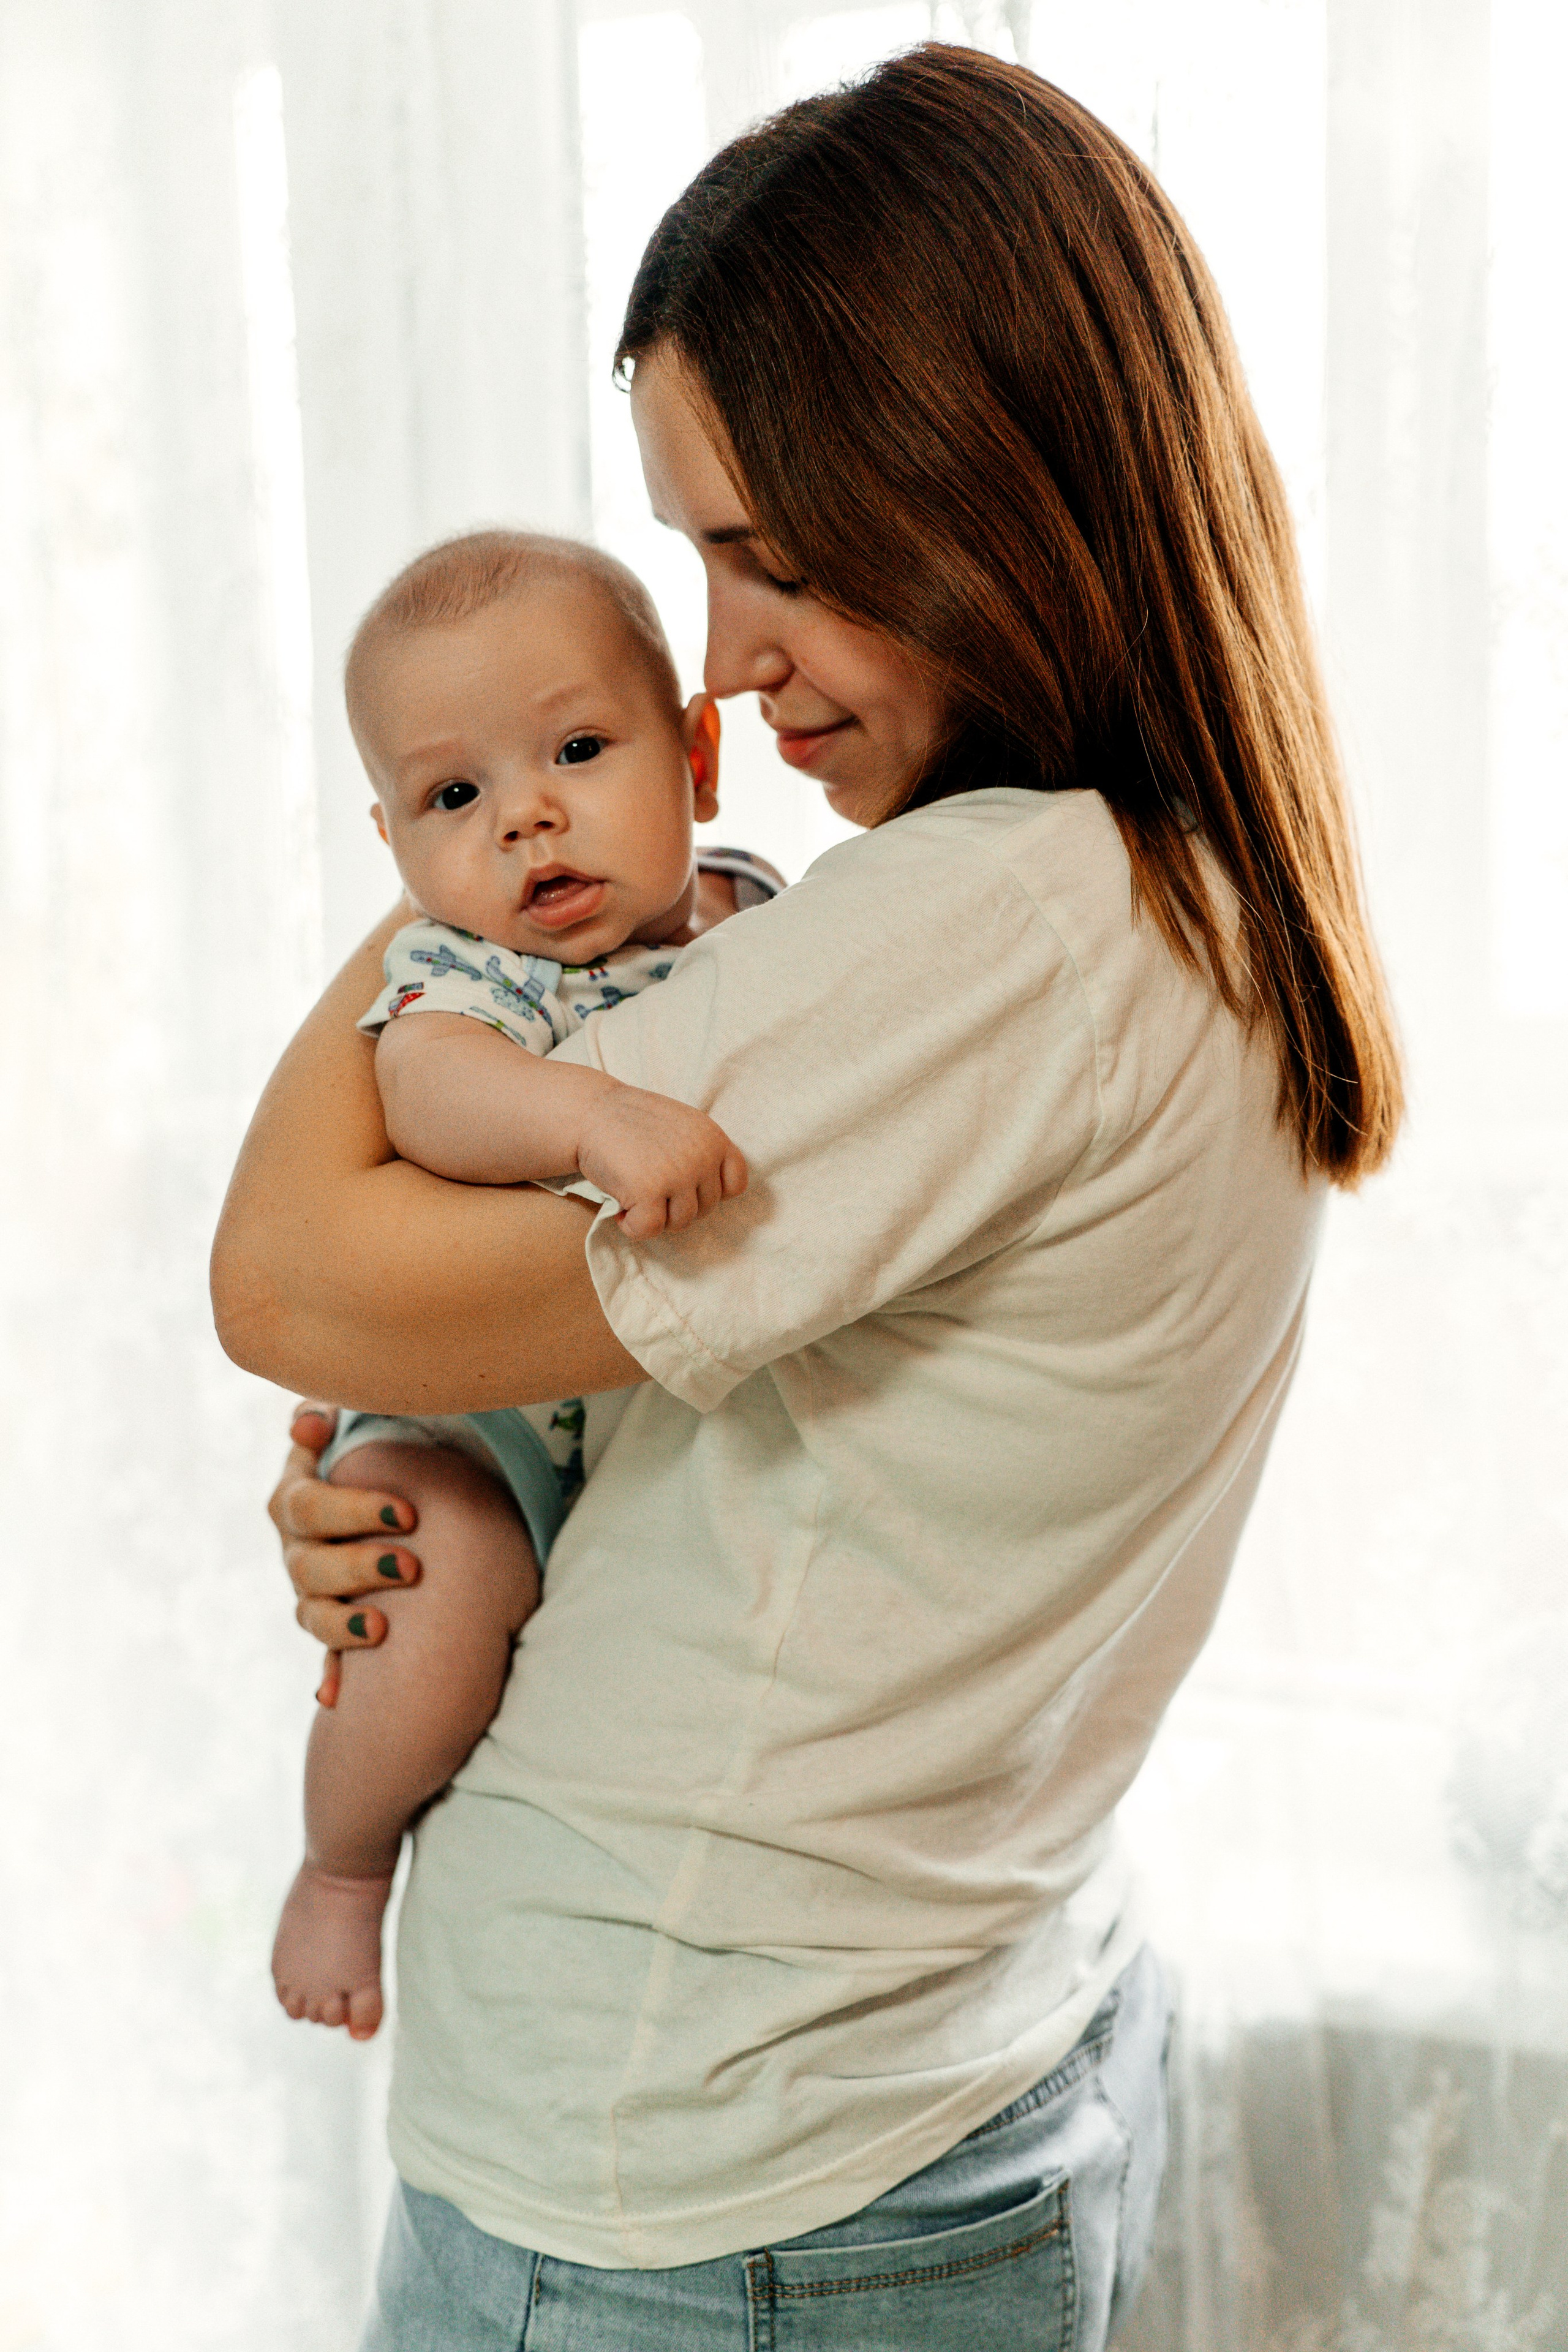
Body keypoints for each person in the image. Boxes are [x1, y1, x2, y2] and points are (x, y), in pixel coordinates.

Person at [212, 43, 1402, 2351]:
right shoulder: (1191, 883)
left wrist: (474, 831)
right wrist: (442, 1510)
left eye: (773, 556)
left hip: (689, 2163)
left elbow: (285, 1273)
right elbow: (690, 1435)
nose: (730, 665)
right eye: (689, 566)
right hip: (929, 2046)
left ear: (981, 486)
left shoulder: (979, 931)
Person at [271, 527, 779, 2043]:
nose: (527, 819)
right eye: (453, 796)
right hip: (472, 1420)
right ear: (394, 848)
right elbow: (428, 1099)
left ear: (696, 759)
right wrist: (589, 1118)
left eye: (574, 747)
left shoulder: (769, 916)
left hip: (642, 1437)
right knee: (434, 1597)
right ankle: (344, 1865)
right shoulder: (472, 977)